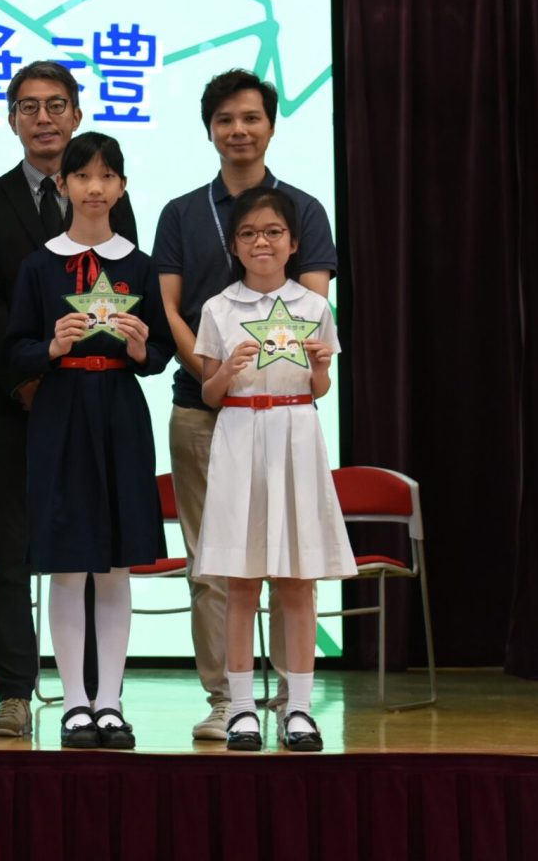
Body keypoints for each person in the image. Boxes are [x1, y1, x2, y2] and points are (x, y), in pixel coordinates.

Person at [152, 70, 337, 741]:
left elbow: (307, 308)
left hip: (283, 414)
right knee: (216, 566)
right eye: (225, 119)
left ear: (271, 125)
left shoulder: (304, 208)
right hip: (203, 408)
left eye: (251, 117)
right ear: (209, 129)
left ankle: (293, 701)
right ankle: (225, 701)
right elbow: (170, 307)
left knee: (292, 562)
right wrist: (212, 372)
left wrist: (288, 371)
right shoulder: (181, 212)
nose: (239, 129)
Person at [0, 62, 139, 738]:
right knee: (8, 548)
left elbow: (125, 291)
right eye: (29, 106)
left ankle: (92, 694)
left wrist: (72, 372)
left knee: (92, 545)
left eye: (56, 105)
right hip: (14, 400)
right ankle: (14, 692)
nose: (44, 118)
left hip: (92, 400)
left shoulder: (108, 193)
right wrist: (28, 374)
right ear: (11, 118)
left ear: (76, 113)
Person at [5, 132, 170, 750]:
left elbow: (160, 353)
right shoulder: (40, 264)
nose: (94, 188)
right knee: (68, 563)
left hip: (120, 411)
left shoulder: (140, 264)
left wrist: (140, 349)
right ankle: (74, 700)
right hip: (61, 411)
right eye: (82, 176)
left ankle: (111, 701)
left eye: (106, 176)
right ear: (64, 185)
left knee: (117, 564)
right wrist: (51, 346)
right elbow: (15, 349)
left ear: (122, 187)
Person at [193, 186, 351, 752]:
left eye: (273, 232)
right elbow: (210, 394)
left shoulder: (314, 308)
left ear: (293, 243)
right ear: (234, 245)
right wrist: (227, 370)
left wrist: (319, 368)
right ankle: (241, 710)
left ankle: (299, 709)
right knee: (240, 581)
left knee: (297, 580)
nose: (262, 242)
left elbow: (319, 388)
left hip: (295, 435)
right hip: (239, 435)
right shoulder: (218, 308)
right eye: (249, 233)